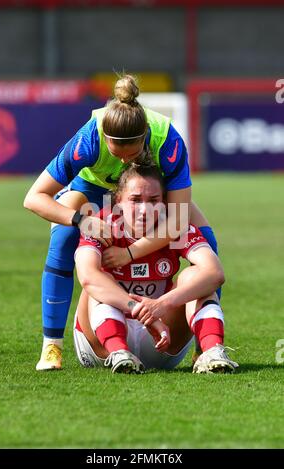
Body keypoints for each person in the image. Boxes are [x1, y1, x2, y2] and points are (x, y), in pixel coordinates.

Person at [23, 74, 219, 371]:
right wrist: (80, 221)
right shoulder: (89, 139)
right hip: (93, 189)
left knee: (207, 242)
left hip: (145, 191)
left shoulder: (167, 142)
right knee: (63, 238)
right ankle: (52, 345)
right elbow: (35, 197)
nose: (126, 162)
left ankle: (205, 348)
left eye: (134, 153)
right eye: (118, 153)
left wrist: (130, 252)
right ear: (105, 139)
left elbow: (177, 218)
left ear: (145, 139)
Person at [73, 163, 238, 374]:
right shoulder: (101, 224)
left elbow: (215, 273)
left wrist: (161, 304)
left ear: (164, 202)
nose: (145, 210)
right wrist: (138, 309)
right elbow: (87, 277)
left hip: (163, 340)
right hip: (101, 346)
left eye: (153, 200)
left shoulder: (174, 226)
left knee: (195, 276)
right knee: (98, 279)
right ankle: (120, 353)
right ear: (118, 201)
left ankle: (213, 352)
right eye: (135, 200)